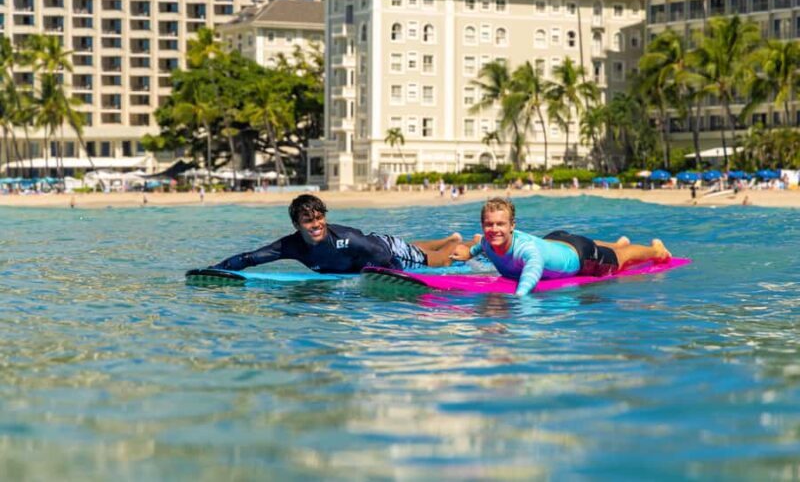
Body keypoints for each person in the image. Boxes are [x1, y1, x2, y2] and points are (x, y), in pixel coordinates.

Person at [450, 198, 672, 296]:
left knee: (619, 258)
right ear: (483, 225)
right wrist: (468, 253)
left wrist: (518, 299)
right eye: (489, 224)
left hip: (581, 256)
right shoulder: (487, 241)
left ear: (512, 226)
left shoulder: (527, 251)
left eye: (500, 224)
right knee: (603, 246)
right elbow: (480, 246)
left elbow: (532, 273)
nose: (494, 229)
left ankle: (656, 250)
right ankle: (616, 243)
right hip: (553, 239)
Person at [210, 194, 470, 274]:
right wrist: (215, 271)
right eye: (308, 221)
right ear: (297, 225)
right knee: (412, 247)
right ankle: (449, 238)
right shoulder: (290, 246)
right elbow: (250, 258)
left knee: (434, 260)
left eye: (319, 218)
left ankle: (461, 244)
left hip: (385, 250)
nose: (316, 224)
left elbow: (387, 258)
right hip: (376, 246)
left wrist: (399, 279)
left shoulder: (348, 239)